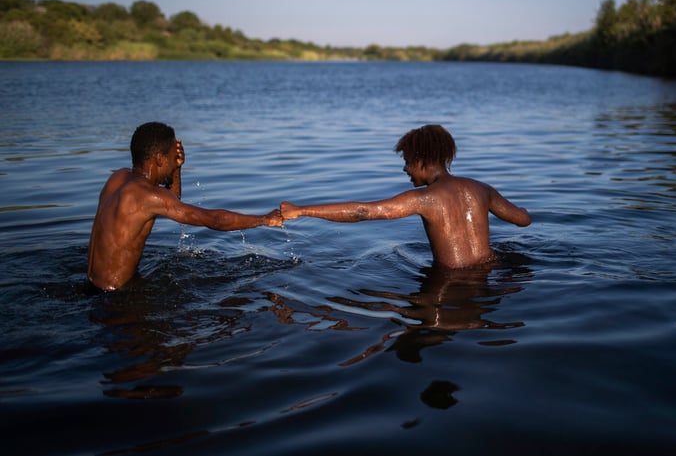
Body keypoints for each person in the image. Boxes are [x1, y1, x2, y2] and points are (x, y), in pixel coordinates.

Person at [281, 124, 530, 268]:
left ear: (422, 161)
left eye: (408, 162)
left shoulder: (425, 198)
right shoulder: (481, 188)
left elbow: (363, 212)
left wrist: (301, 210)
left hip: (452, 282)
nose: (405, 169)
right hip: (490, 271)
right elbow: (522, 220)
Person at [87, 122, 283, 291]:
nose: (174, 164)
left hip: (92, 285)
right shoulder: (145, 196)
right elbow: (214, 220)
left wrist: (177, 169)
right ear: (159, 159)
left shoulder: (117, 179)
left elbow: (171, 200)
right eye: (173, 159)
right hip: (116, 297)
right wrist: (264, 219)